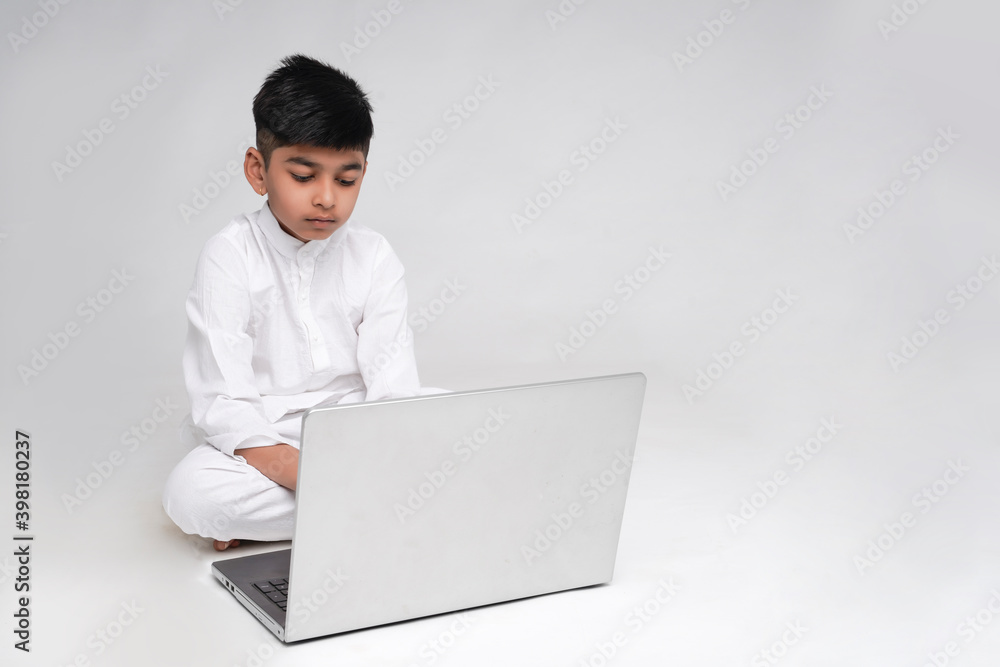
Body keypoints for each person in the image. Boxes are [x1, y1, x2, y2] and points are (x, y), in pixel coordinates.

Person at [162, 54, 421, 551]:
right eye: (304, 176)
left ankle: (333, 509)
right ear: (258, 171)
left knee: (466, 422)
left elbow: (394, 393)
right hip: (265, 445)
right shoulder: (230, 255)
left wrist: (388, 452)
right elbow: (224, 402)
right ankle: (389, 505)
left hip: (359, 430)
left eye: (347, 180)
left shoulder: (373, 255)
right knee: (193, 495)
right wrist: (311, 475)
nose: (327, 198)